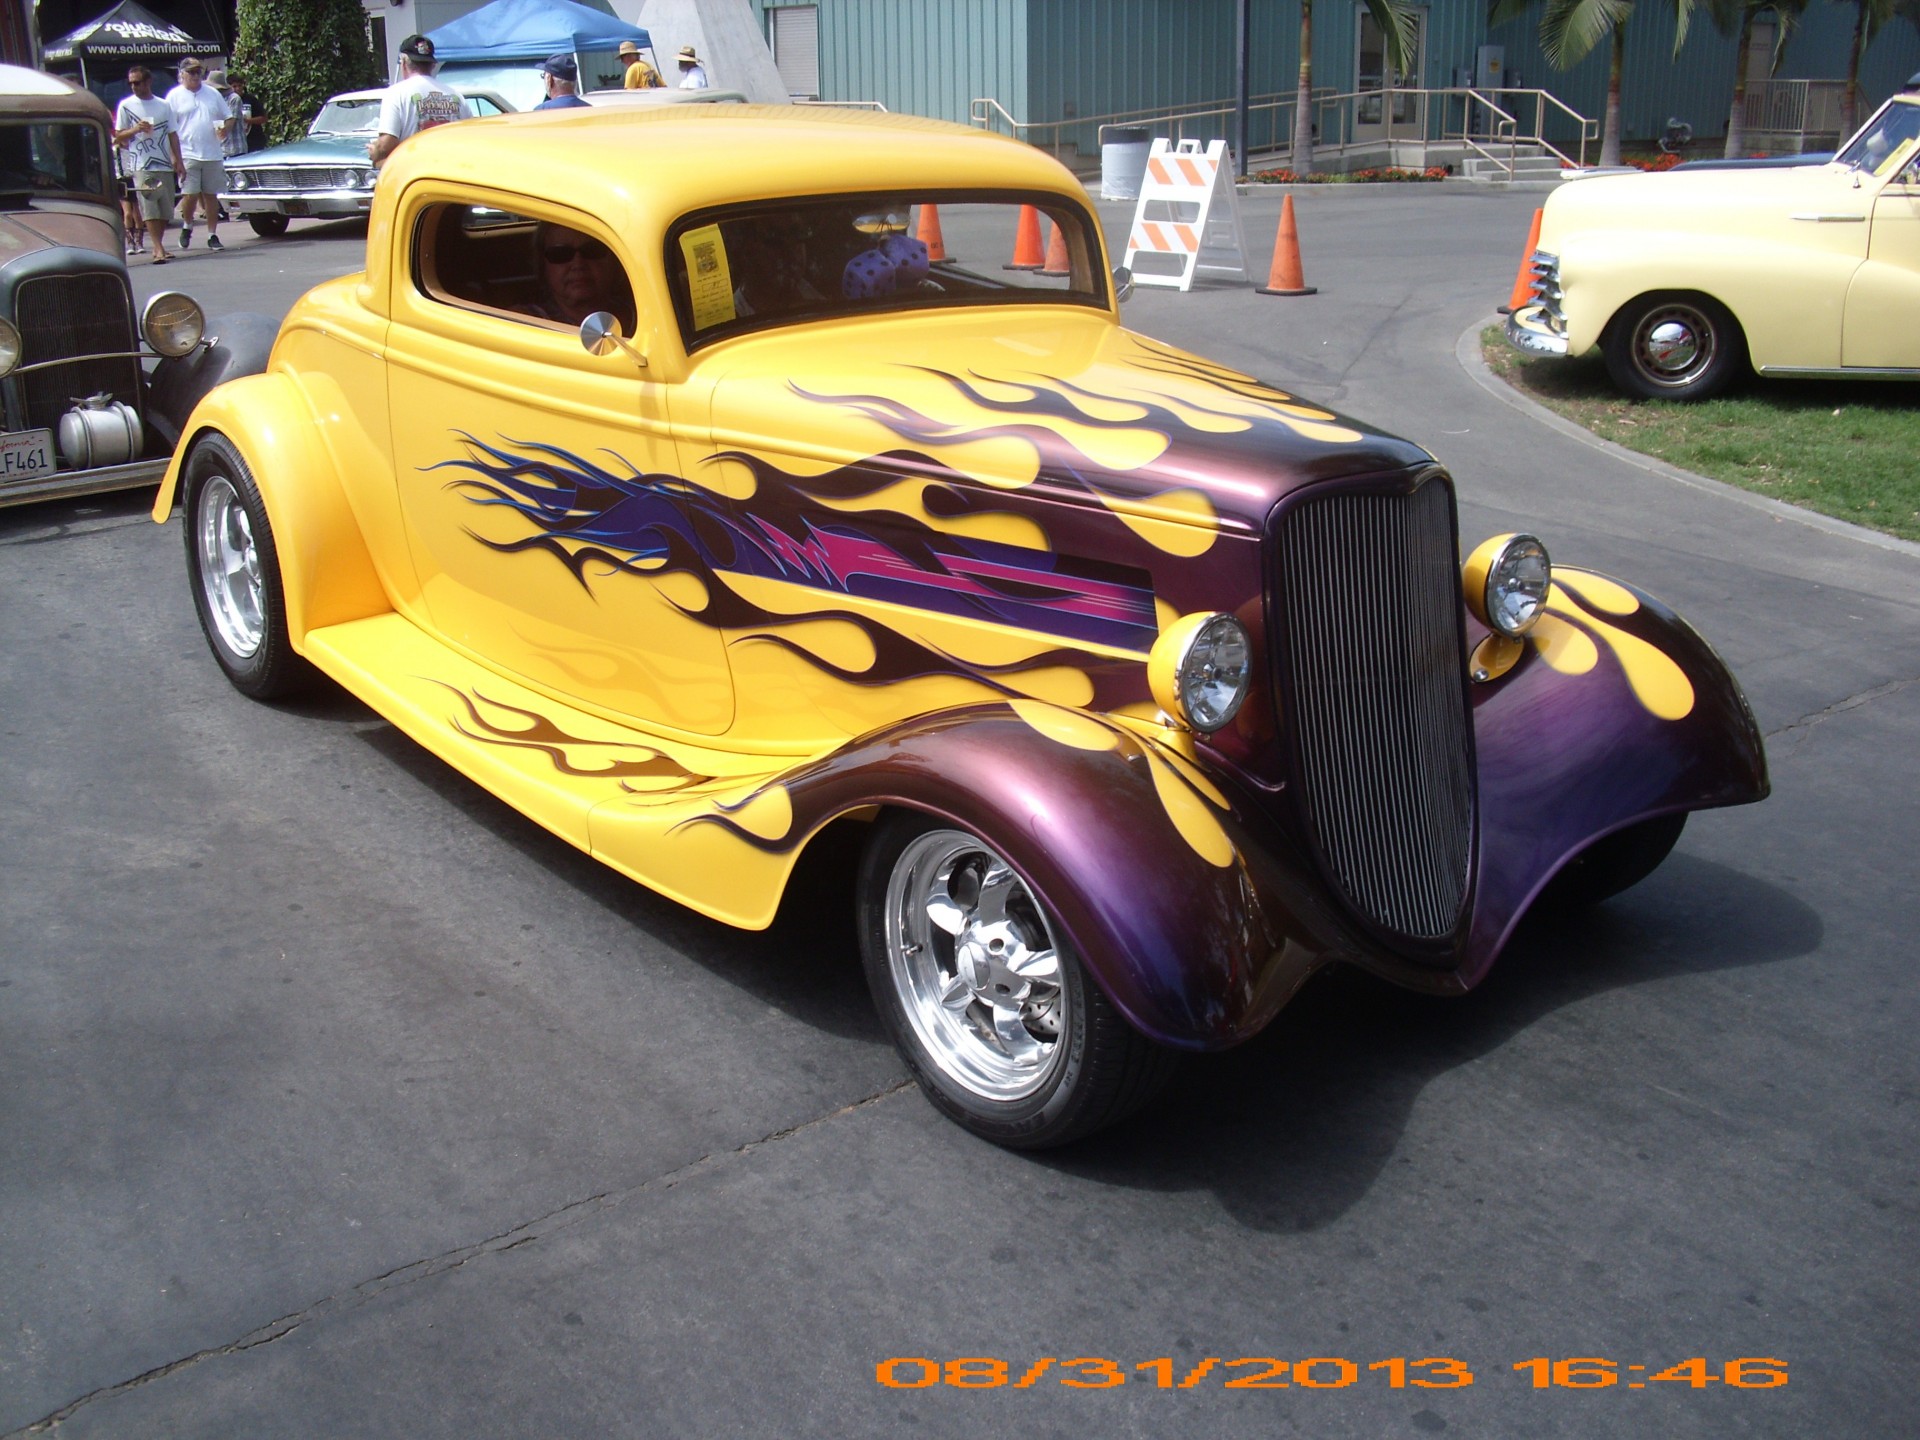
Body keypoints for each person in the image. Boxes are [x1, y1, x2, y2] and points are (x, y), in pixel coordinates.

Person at [113, 66, 183, 263]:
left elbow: (172, 134)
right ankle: (158, 247)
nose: (133, 87)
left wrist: (178, 159)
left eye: (137, 82)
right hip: (140, 163)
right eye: (131, 83)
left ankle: (158, 245)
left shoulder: (163, 105)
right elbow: (118, 136)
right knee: (149, 205)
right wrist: (135, 129)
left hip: (163, 161)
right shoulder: (126, 106)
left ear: (148, 82)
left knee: (165, 207)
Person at [370, 34, 471, 167]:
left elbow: (386, 144)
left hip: (415, 177)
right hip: (450, 174)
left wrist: (375, 152)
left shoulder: (396, 93)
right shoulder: (456, 96)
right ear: (433, 65)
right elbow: (470, 137)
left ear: (404, 62)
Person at [165, 58, 230, 250]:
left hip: (212, 152)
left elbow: (228, 117)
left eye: (198, 72)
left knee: (211, 195)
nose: (195, 76)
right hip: (187, 152)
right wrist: (175, 158)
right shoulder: (174, 96)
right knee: (190, 194)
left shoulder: (212, 93)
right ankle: (187, 225)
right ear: (182, 74)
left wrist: (225, 129)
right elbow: (170, 129)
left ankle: (212, 234)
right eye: (191, 72)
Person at [520, 222, 634, 331]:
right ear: (542, 265)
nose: (578, 264)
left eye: (592, 250)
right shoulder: (523, 324)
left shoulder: (641, 315)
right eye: (561, 254)